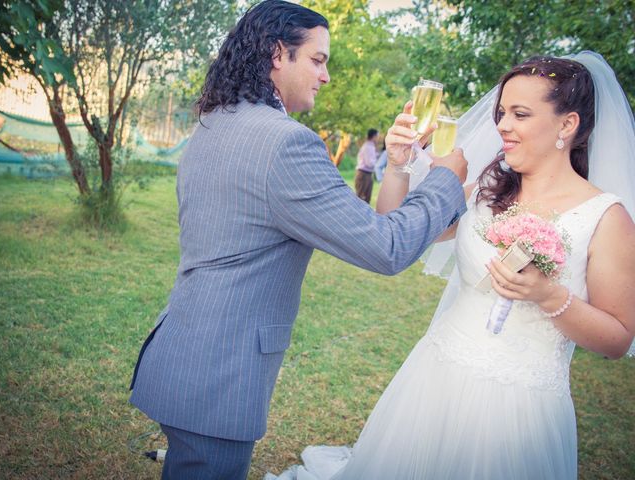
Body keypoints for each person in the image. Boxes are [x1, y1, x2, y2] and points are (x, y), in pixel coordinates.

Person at [128, 1, 468, 479]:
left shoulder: (214, 121)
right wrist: (445, 178)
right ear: (276, 53)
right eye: (318, 59)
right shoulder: (286, 143)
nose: (325, 76)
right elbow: (386, 247)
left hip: (184, 346)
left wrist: (397, 162)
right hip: (220, 373)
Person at [266, 52, 635, 480]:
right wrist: (400, 164)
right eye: (501, 112)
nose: (502, 125)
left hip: (522, 408)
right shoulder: (486, 189)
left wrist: (549, 295)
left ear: (567, 125)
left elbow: (617, 339)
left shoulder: (605, 217)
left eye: (520, 114)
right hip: (436, 377)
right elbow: (394, 222)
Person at [354, 128, 379, 202]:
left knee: (366, 199)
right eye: (377, 136)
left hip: (367, 174)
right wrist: (379, 163)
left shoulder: (370, 146)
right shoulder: (368, 147)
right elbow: (370, 163)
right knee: (361, 199)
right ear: (374, 136)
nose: (378, 139)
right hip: (363, 175)